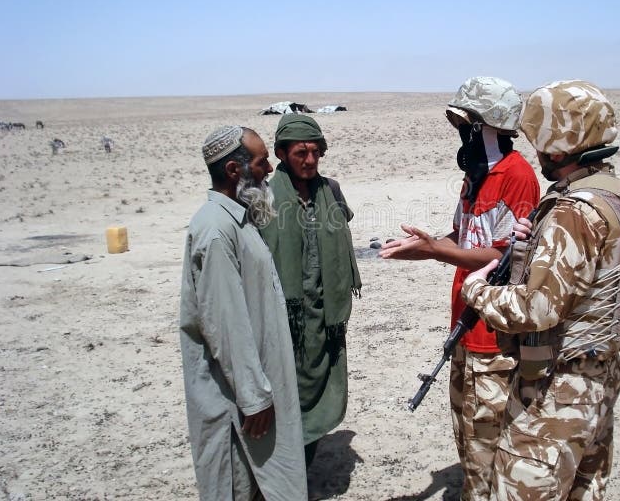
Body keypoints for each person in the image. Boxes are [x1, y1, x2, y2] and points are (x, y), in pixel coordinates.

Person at [461, 80, 620, 500]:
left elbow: (536, 308)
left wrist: (476, 291)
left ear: (557, 144)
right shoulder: (617, 196)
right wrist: (529, 248)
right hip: (601, 382)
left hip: (557, 390)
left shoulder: (574, 211)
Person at [379, 76, 540, 501]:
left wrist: (436, 251)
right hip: (464, 332)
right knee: (469, 443)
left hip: (495, 339)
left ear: (487, 126)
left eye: (464, 125)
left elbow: (503, 258)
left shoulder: (517, 176)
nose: (460, 134)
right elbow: (461, 238)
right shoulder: (476, 175)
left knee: (490, 450)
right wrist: (421, 248)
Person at [180, 125, 307, 501]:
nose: (269, 168)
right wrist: (253, 397)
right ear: (235, 171)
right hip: (236, 400)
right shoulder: (217, 231)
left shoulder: (239, 219)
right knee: (238, 483)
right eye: (260, 160)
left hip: (254, 385)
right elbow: (225, 323)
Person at [258, 114, 361, 467]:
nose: (310, 160)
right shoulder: (263, 198)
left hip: (325, 317)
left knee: (320, 387)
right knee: (284, 394)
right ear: (282, 154)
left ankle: (303, 465)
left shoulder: (329, 191)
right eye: (301, 152)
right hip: (284, 320)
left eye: (316, 152)